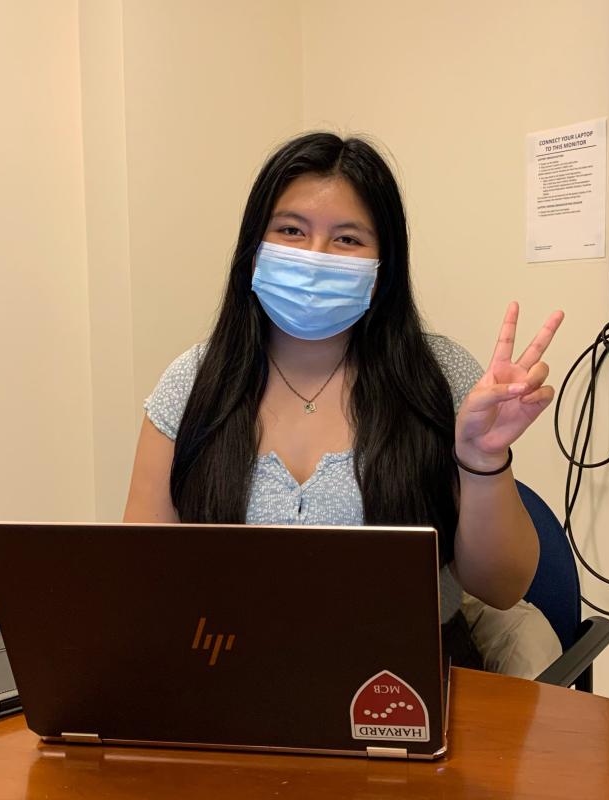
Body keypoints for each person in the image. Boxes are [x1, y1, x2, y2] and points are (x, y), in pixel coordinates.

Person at [124, 132, 564, 670]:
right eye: (290, 230)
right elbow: (143, 583)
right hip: (228, 679)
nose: (314, 257)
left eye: (347, 239)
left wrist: (484, 461)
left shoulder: (440, 378)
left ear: (384, 266)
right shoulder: (191, 384)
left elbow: (501, 588)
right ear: (253, 247)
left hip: (404, 686)